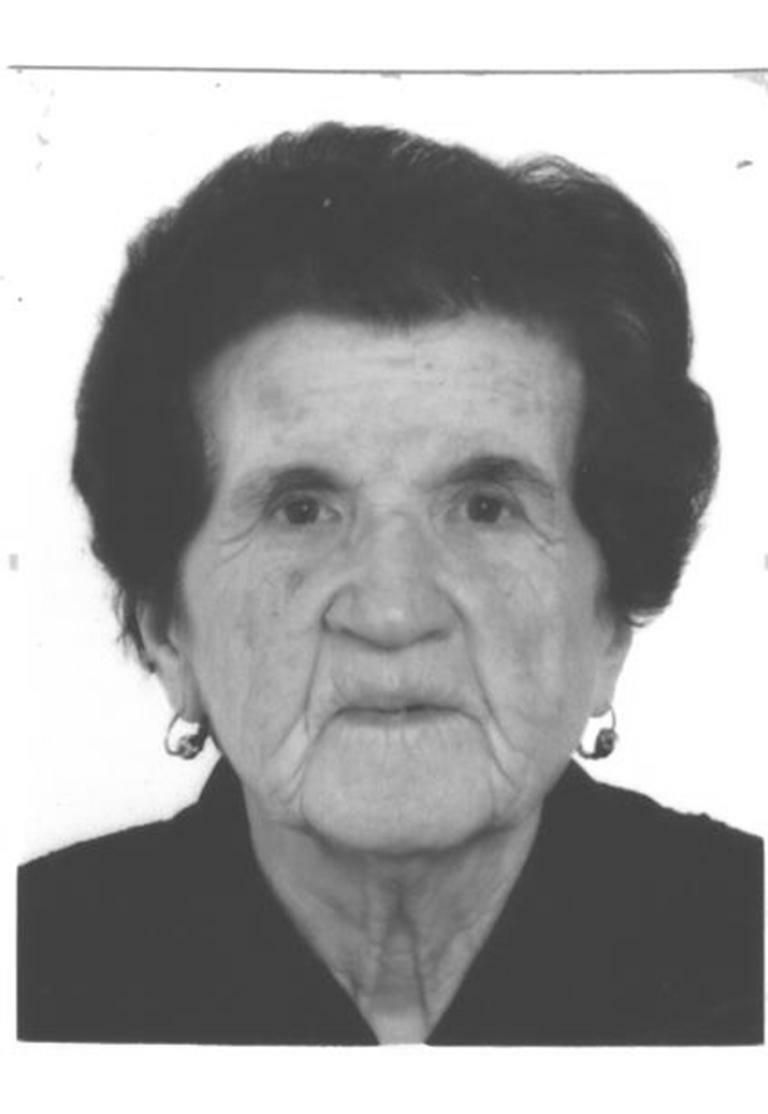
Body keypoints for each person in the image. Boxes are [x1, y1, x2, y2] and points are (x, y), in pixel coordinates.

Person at [17, 121, 762, 1045]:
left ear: (609, 622)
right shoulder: (37, 970)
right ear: (169, 629)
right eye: (301, 511)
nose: (395, 610)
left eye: (485, 508)